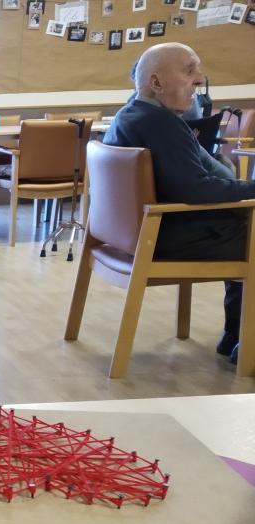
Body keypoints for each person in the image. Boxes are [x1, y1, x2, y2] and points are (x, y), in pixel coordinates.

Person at [104, 43, 255, 364]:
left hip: (138, 233)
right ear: (155, 82)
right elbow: (197, 190)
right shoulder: (160, 123)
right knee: (252, 232)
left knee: (246, 224)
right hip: (165, 236)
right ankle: (247, 342)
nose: (200, 79)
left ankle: (237, 335)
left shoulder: (130, 114)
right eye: (189, 71)